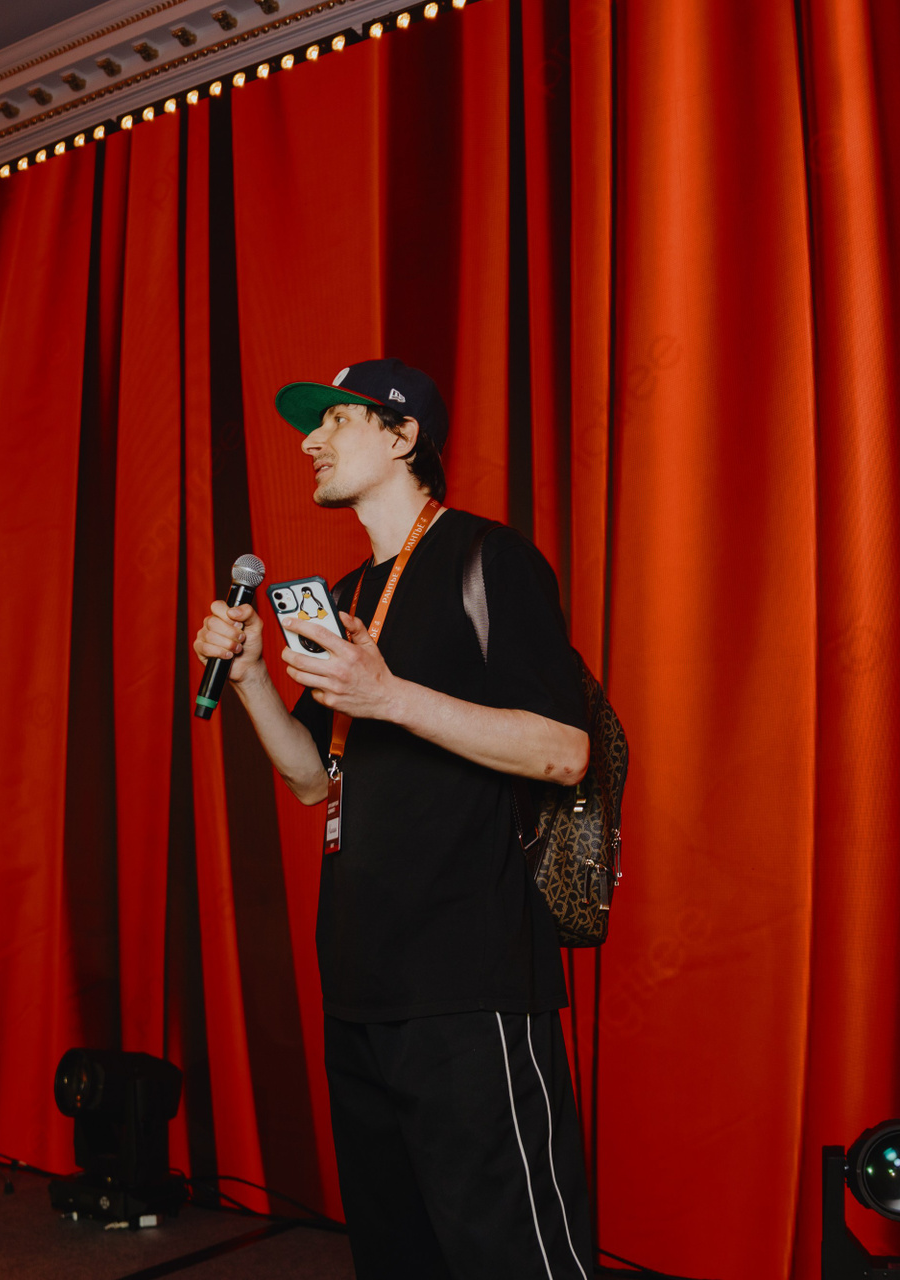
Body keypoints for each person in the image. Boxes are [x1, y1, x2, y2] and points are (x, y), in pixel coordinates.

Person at [192, 358, 595, 1279]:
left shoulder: (489, 560)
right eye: (311, 425)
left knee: (513, 1258)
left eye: (337, 420)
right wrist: (251, 677)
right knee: (399, 1256)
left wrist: (390, 696)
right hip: (361, 982)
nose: (311, 441)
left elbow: (564, 752)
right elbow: (311, 781)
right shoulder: (344, 600)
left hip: (469, 982)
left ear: (406, 436)